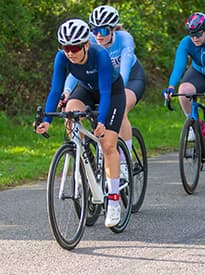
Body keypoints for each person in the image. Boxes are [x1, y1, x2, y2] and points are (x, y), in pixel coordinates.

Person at [35, 19, 126, 227]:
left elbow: (104, 92)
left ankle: (113, 200)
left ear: (86, 44)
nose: (70, 52)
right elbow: (55, 90)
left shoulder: (99, 55)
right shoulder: (62, 58)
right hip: (85, 89)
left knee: (108, 144)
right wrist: (47, 120)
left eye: (75, 47)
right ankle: (84, 156)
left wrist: (101, 121)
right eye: (66, 47)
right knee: (70, 113)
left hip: (111, 92)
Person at [62, 5, 146, 177]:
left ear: (114, 29)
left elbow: (124, 72)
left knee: (120, 110)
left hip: (128, 80)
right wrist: (67, 90)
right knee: (72, 114)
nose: (98, 35)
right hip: (99, 82)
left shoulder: (124, 39)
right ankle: (86, 158)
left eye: (103, 30)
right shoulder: (89, 41)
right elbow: (75, 70)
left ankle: (125, 161)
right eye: (94, 30)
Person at [162, 12, 205, 180]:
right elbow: (179, 66)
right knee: (184, 91)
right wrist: (171, 87)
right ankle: (195, 123)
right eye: (191, 34)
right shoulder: (186, 43)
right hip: (198, 72)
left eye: (198, 34)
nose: (195, 38)